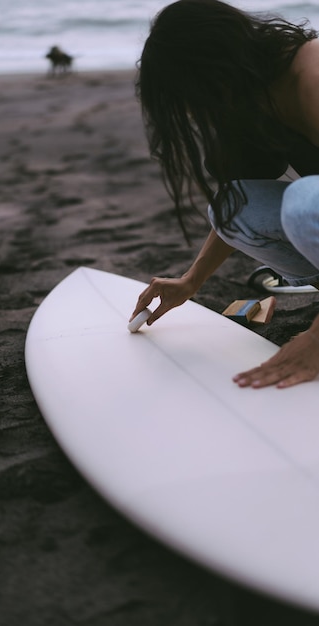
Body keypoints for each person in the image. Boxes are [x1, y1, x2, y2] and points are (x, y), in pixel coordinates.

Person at [130, 0, 319, 389]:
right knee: (230, 207)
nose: (194, 110)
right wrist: (190, 282)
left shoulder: (311, 73)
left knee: (305, 203)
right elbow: (237, 207)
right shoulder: (248, 104)